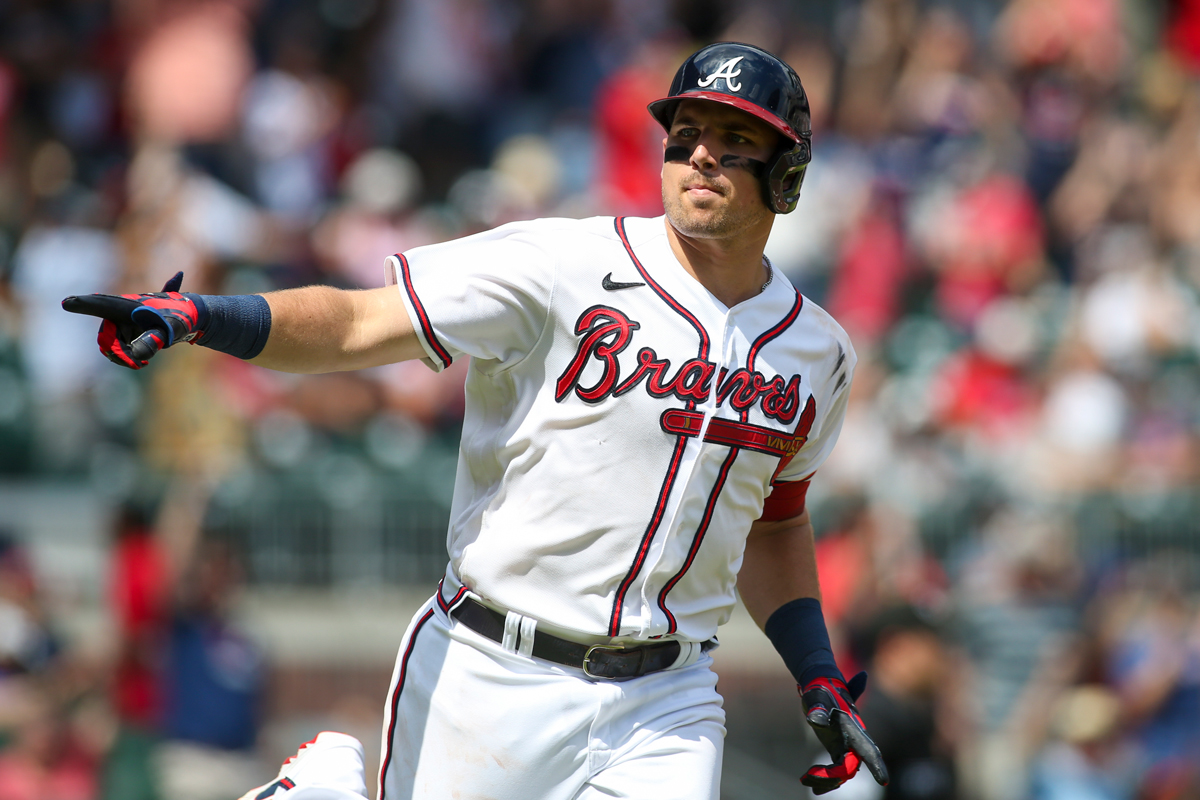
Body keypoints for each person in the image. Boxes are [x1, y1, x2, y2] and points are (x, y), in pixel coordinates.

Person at [63, 42, 889, 800]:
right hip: (492, 668)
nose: (702, 152)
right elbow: (357, 323)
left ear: (787, 173)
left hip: (667, 699)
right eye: (687, 130)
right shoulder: (563, 263)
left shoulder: (817, 352)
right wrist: (205, 315)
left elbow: (775, 521)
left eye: (736, 136)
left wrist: (815, 670)